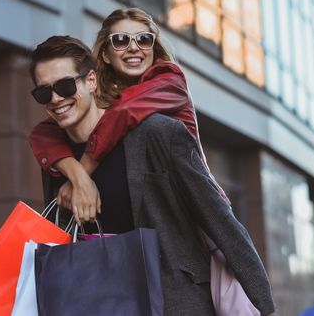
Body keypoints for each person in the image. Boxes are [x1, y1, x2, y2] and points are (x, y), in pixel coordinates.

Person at [28, 34, 275, 315]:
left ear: (92, 81)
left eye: (64, 85)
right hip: (96, 303)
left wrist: (263, 304)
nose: (56, 98)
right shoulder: (59, 160)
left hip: (171, 301)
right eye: (44, 92)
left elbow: (219, 219)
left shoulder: (157, 133)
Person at [29, 7, 213, 226]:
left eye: (144, 39)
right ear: (106, 54)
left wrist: (80, 177)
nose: (133, 47)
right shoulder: (109, 98)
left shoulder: (169, 80)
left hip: (195, 214)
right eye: (121, 40)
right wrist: (76, 175)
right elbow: (43, 132)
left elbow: (124, 113)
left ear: (154, 48)